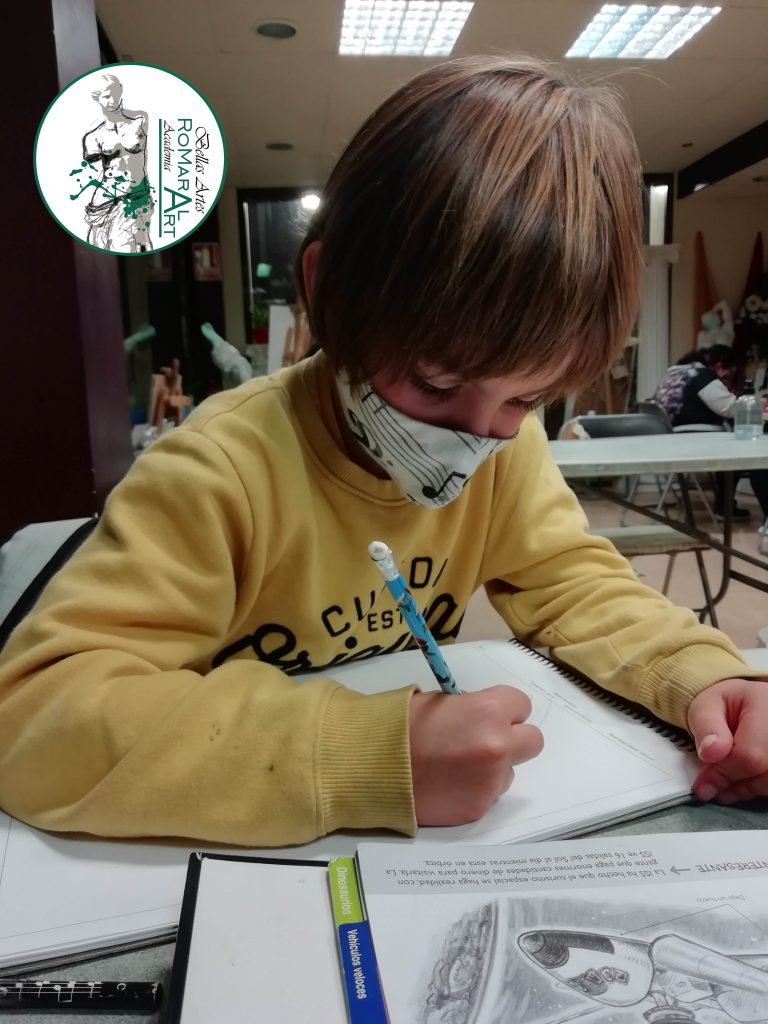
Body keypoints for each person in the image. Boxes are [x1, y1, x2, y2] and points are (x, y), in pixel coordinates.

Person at [1, 56, 767, 848]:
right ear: (326, 289)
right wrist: (366, 754)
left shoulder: (508, 448)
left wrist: (707, 674)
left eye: (526, 398)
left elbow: (572, 583)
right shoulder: (220, 471)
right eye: (435, 384)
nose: (482, 434)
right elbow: (36, 717)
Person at [653, 345, 768, 522]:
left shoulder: (674, 373)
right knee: (741, 450)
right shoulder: (701, 375)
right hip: (695, 437)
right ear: (720, 366)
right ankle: (725, 506)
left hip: (669, 437)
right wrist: (757, 402)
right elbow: (729, 408)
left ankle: (724, 504)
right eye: (728, 375)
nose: (725, 382)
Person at [76, 74, 154, 252]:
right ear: (97, 99)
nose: (112, 100)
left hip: (137, 195)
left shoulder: (140, 120)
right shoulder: (93, 136)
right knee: (103, 245)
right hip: (106, 199)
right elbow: (91, 165)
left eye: (115, 94)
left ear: (120, 91)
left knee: (131, 246)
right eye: (106, 96)